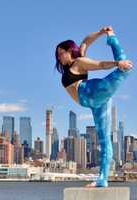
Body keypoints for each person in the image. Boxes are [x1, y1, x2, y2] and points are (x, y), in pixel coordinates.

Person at [55, 26, 133, 187]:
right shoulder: (77, 58)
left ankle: (113, 41)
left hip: (92, 92)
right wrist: (101, 32)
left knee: (123, 70)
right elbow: (85, 41)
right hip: (95, 103)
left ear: (69, 51)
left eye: (60, 53)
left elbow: (100, 64)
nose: (59, 57)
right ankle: (102, 179)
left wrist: (118, 62)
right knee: (105, 141)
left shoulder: (79, 62)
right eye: (57, 55)